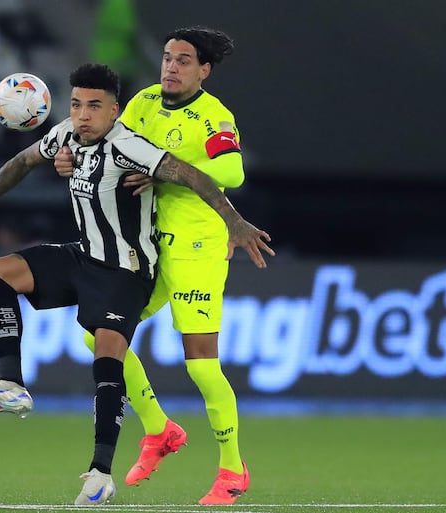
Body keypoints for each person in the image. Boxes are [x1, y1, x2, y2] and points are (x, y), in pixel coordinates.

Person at [0, 63, 272, 505]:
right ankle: (11, 385)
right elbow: (22, 162)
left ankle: (101, 473)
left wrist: (234, 221)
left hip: (125, 272)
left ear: (114, 110)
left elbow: (194, 175)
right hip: (83, 257)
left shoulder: (129, 147)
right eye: (78, 104)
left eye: (95, 106)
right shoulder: (66, 136)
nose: (83, 115)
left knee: (106, 357)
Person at [54, 27, 269, 505]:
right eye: (168, 58)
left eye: (184, 60)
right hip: (147, 244)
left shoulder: (214, 117)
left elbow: (232, 172)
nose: (171, 67)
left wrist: (162, 167)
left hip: (196, 248)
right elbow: (111, 142)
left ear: (204, 70)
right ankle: (159, 429)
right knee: (98, 334)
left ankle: (233, 469)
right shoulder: (145, 102)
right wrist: (70, 156)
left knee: (202, 366)